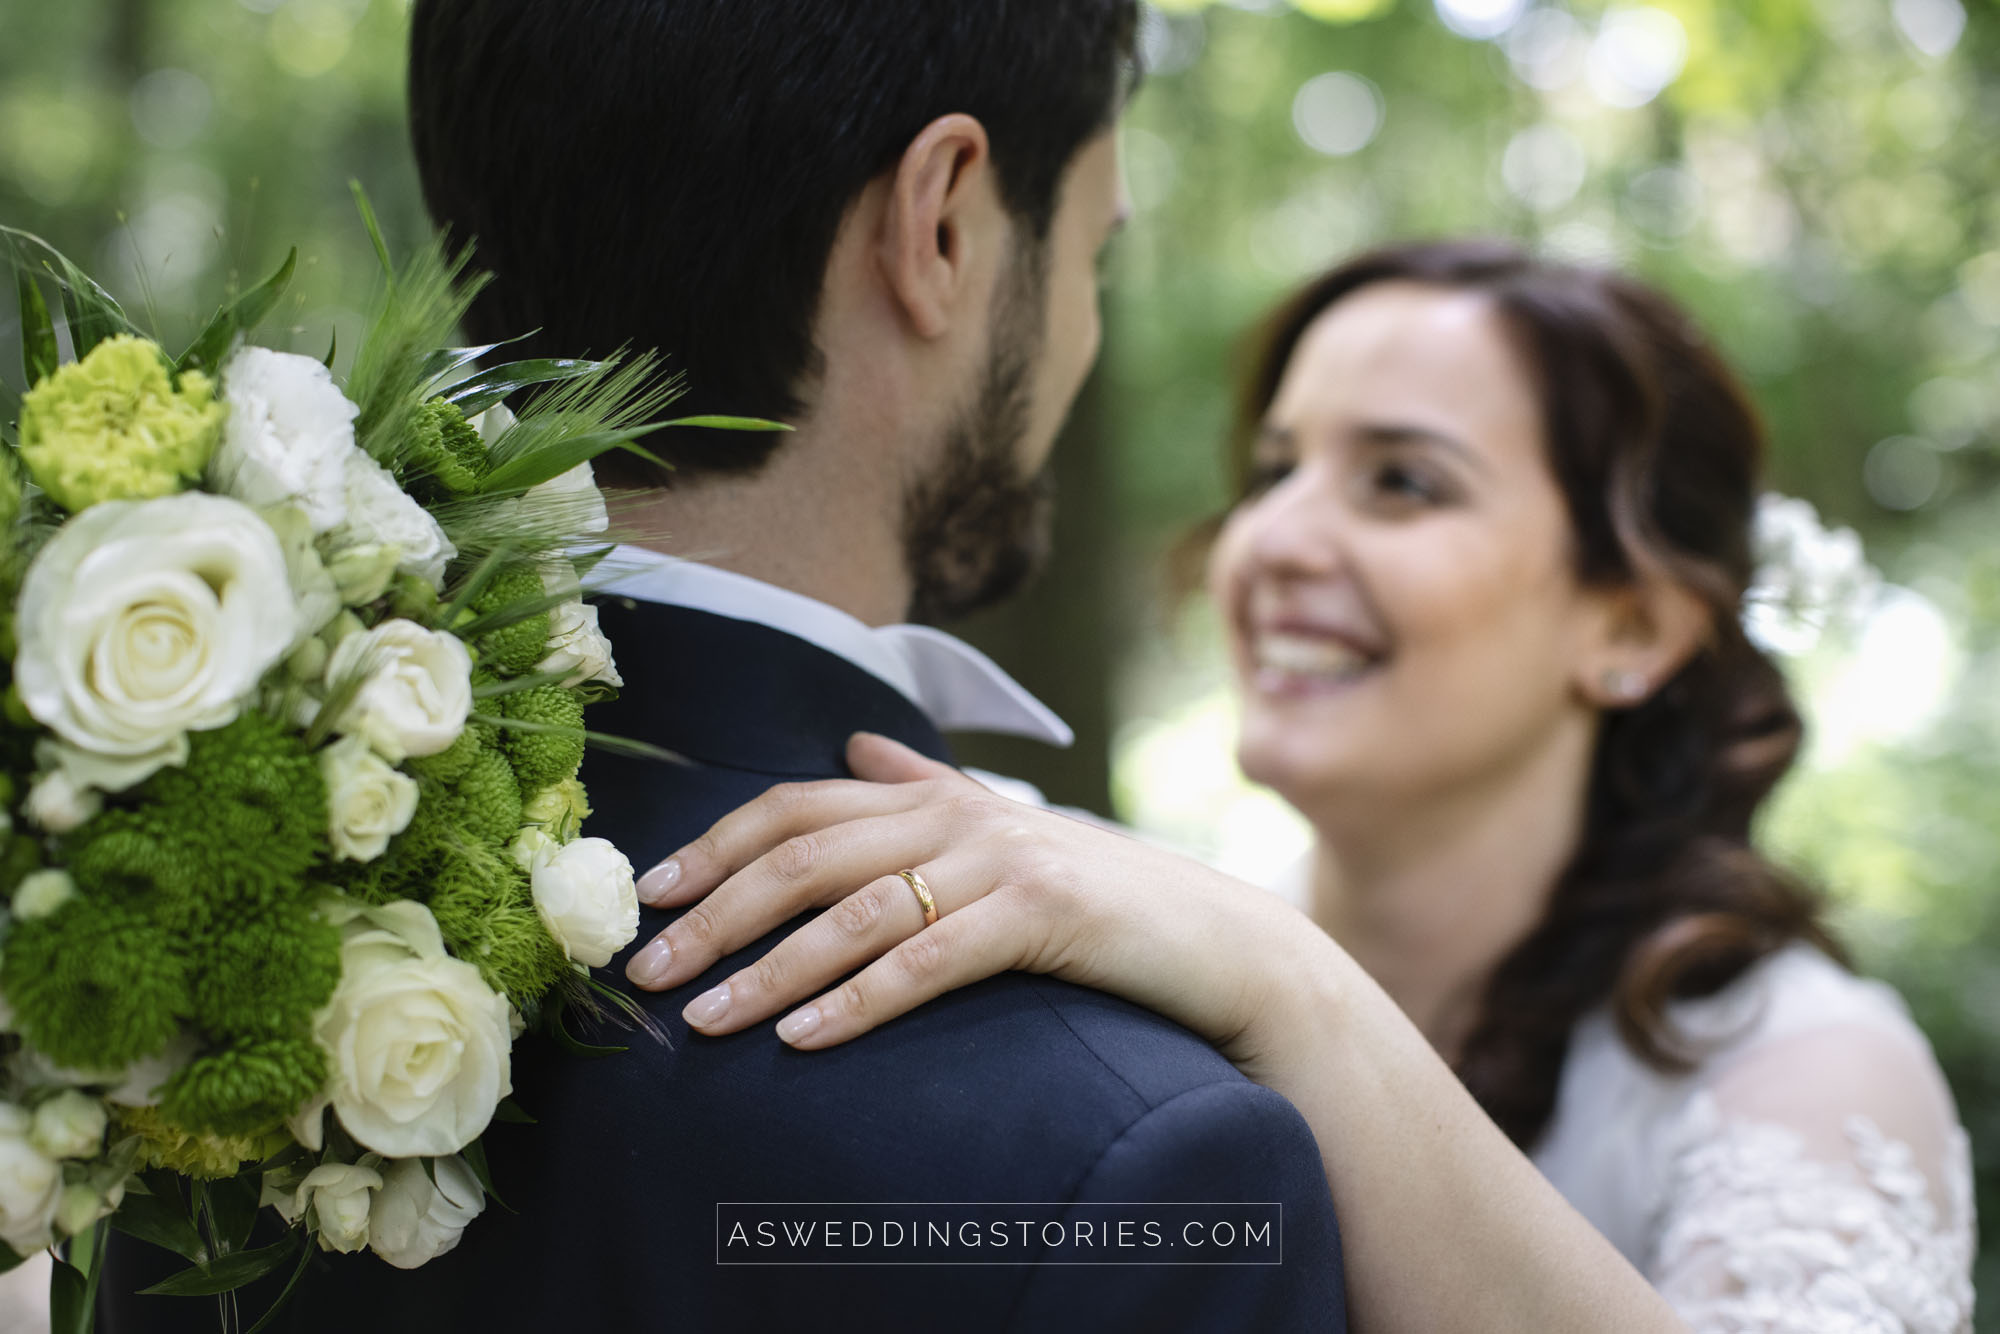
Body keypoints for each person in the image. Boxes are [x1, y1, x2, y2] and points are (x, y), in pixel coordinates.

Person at [103, 2, 1351, 1330]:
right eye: (1092, 252)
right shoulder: (1143, 1152)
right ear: (939, 225)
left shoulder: (183, 934)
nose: (1082, 330)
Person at [626, 240, 1978, 1331]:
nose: (1270, 538)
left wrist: (1305, 993)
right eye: (1273, 470)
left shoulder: (1806, 1066)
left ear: (1629, 627)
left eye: (1401, 481)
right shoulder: (1068, 895)